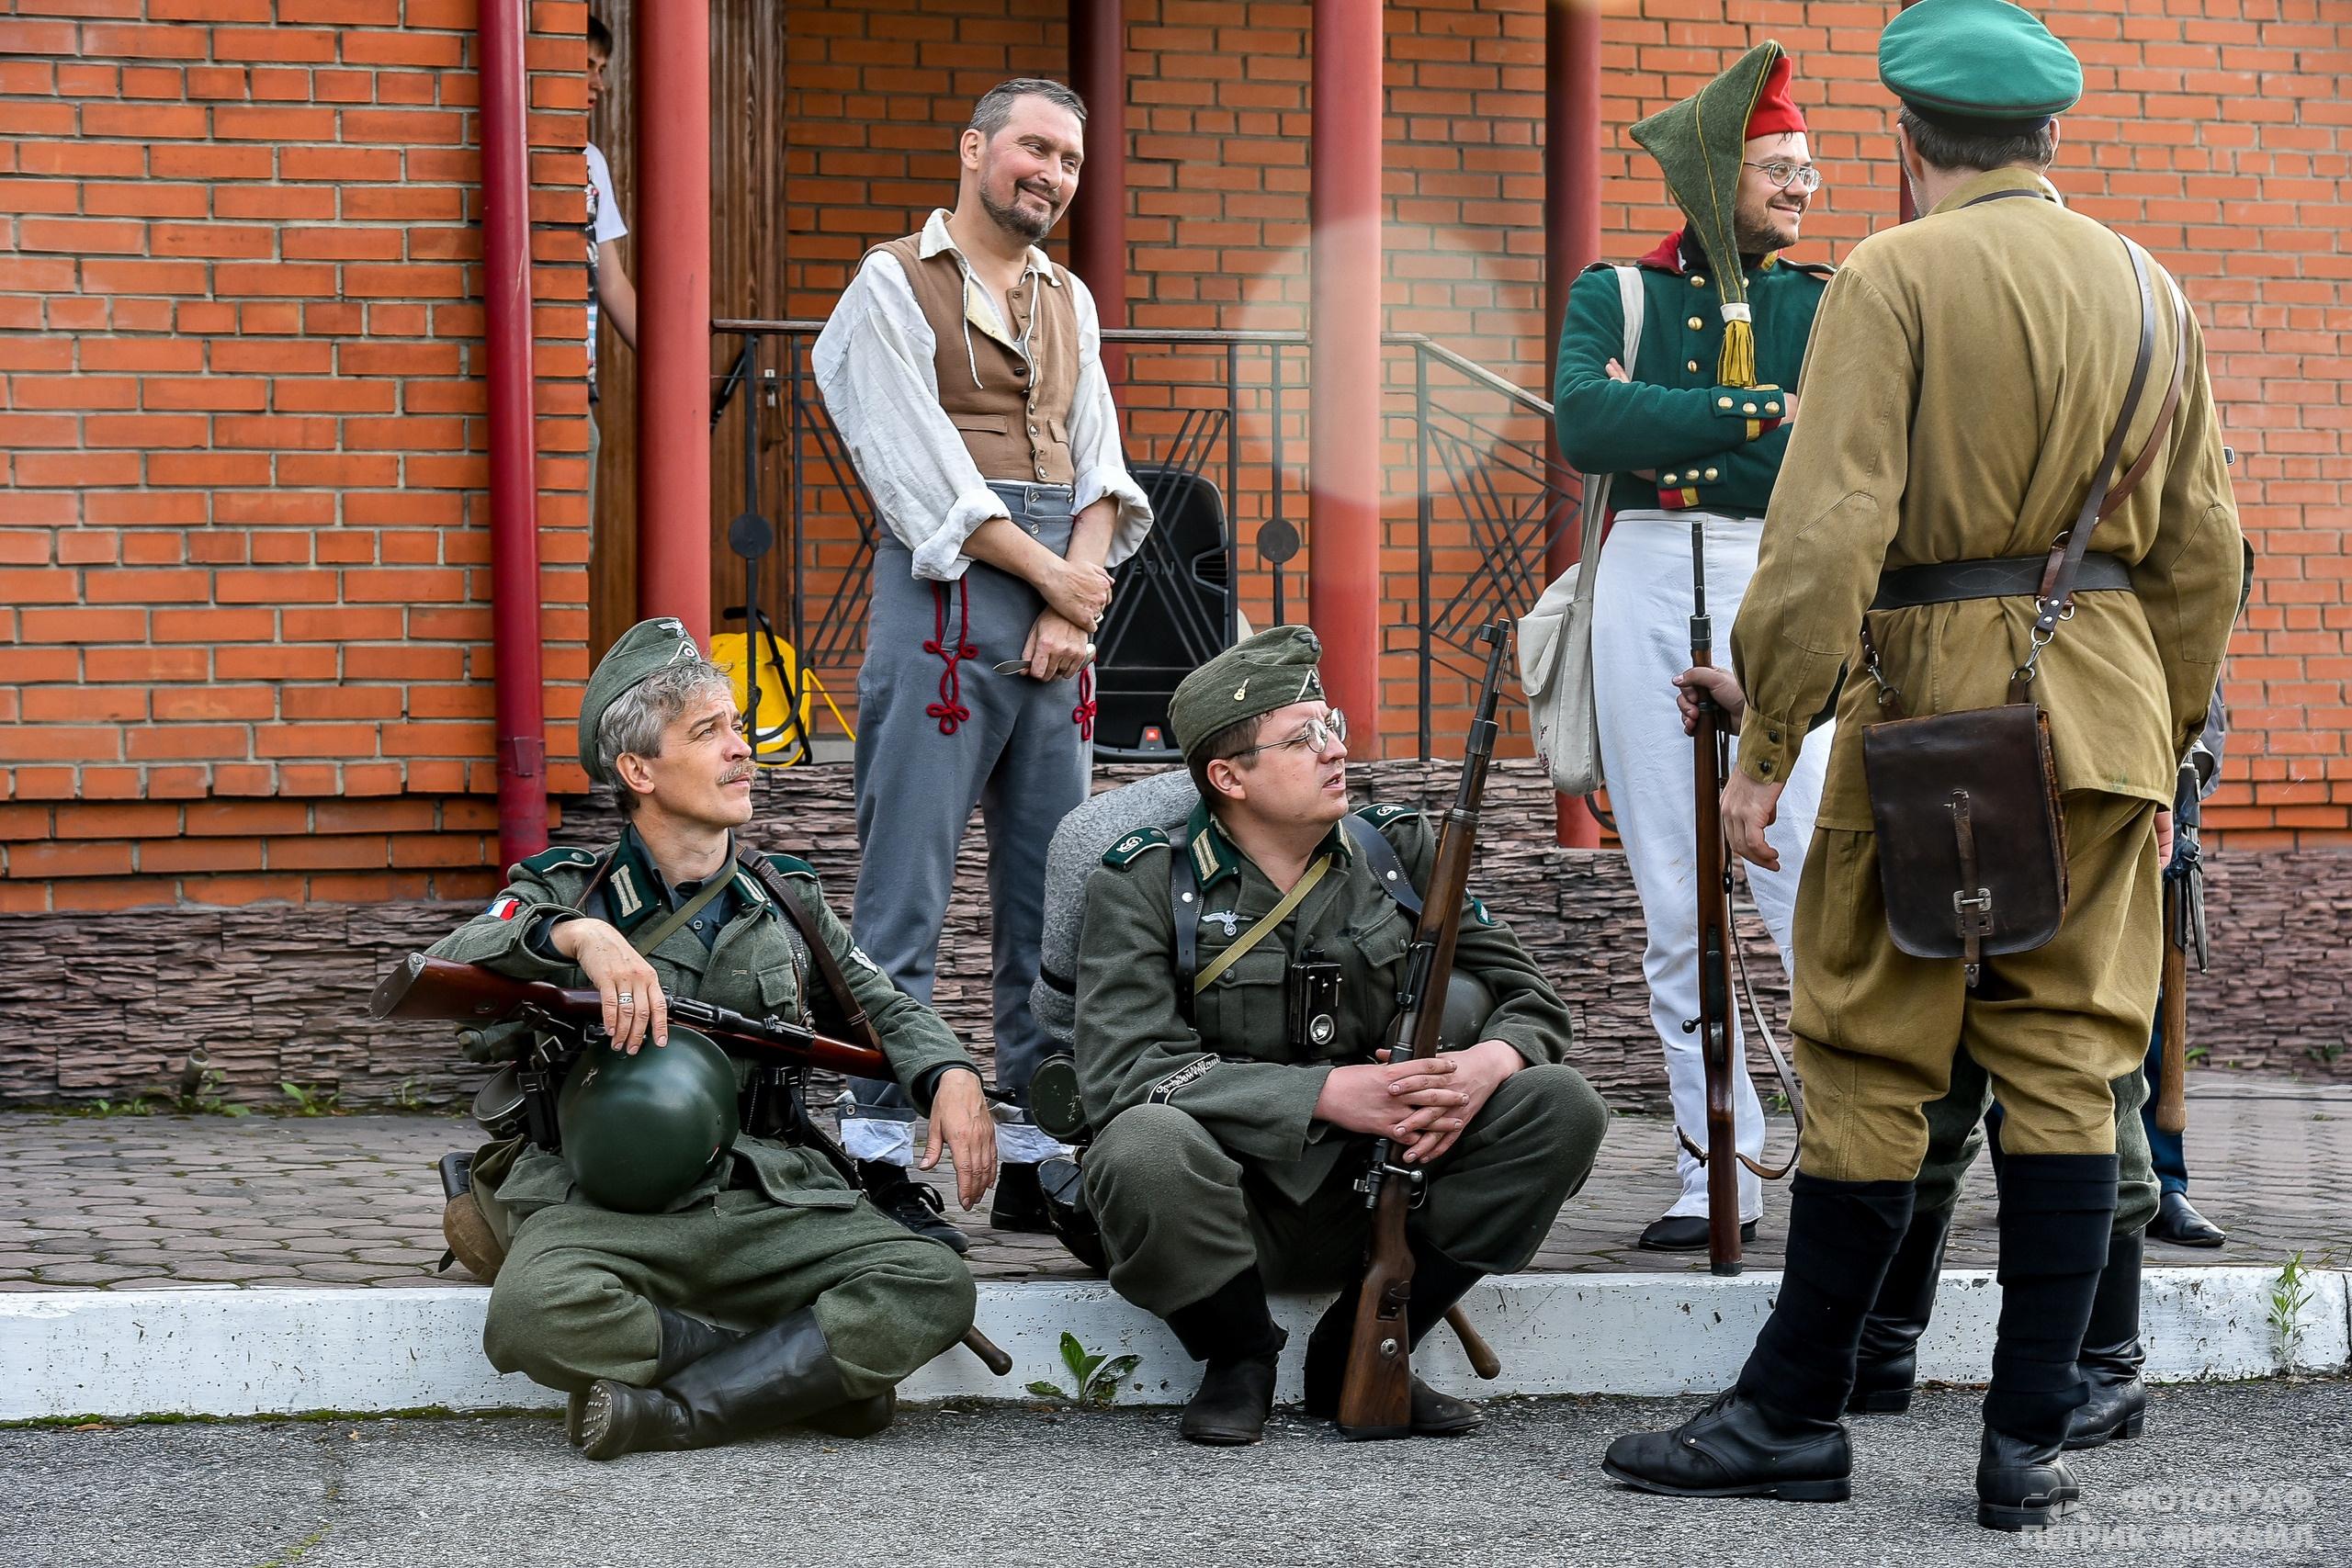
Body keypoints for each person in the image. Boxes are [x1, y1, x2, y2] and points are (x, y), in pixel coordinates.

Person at [1601, 0, 2242, 1531]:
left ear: (1908, 143)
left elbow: (1828, 537)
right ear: (2049, 138)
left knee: (1876, 1050)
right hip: (2107, 718)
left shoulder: (1893, 272)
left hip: (1935, 712)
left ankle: (1795, 1412)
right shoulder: (2155, 287)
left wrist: (1766, 743)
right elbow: (2207, 553)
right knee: (2076, 1062)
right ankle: (2027, 1444)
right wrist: (2168, 748)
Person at [427, 618, 997, 1461]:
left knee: (933, 1281)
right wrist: (578, 937)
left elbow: (885, 1006)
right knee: (531, 1315)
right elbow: (446, 961)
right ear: (638, 770)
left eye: (738, 726)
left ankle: (678, 1412)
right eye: (710, 732)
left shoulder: (787, 900)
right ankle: (805, 1380)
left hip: (767, 1194)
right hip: (608, 1203)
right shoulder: (565, 888)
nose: (744, 749)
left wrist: (951, 1072)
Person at [1070, 626, 1611, 1445]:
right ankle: (1239, 1356)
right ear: (1228, 777)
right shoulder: (1146, 881)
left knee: (1562, 1105)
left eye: (1335, 728)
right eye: (1302, 737)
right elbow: (1122, 1072)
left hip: (1390, 1188)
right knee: (1140, 1146)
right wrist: (1329, 1094)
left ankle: (1357, 1343)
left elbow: (1530, 996)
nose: (1334, 752)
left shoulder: (1396, 851)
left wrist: (1483, 1066)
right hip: (1226, 1205)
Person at [815, 77, 1153, 1250]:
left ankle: (1030, 1153)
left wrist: (1078, 597)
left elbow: (1103, 466)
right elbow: (916, 475)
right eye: (1031, 148)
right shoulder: (887, 284)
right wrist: (1047, 577)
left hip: (1062, 604)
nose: (1050, 174)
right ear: (974, 150)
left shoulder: (1072, 299)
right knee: (901, 890)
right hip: (946, 605)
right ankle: (871, 1144)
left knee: (1050, 897)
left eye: (1067, 157)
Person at [1552, 41, 1832, 1252]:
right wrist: (1763, 409)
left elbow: (1822, 462)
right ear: (1718, 173)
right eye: (1780, 165)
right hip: (1646, 578)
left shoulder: (1827, 301)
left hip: (1782, 574)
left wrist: (1683, 427)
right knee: (1673, 894)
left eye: (1809, 167)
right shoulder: (1617, 290)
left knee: (1808, 872)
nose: (1803, 186)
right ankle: (1709, 1162)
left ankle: (1848, 1151)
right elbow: (1586, 424)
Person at [583, 16, 637, 527]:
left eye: (602, 69)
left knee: (575, 549)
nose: (600, 84)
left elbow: (613, 282)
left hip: (577, 388)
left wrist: (674, 363)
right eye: (587, 68)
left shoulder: (591, 162)